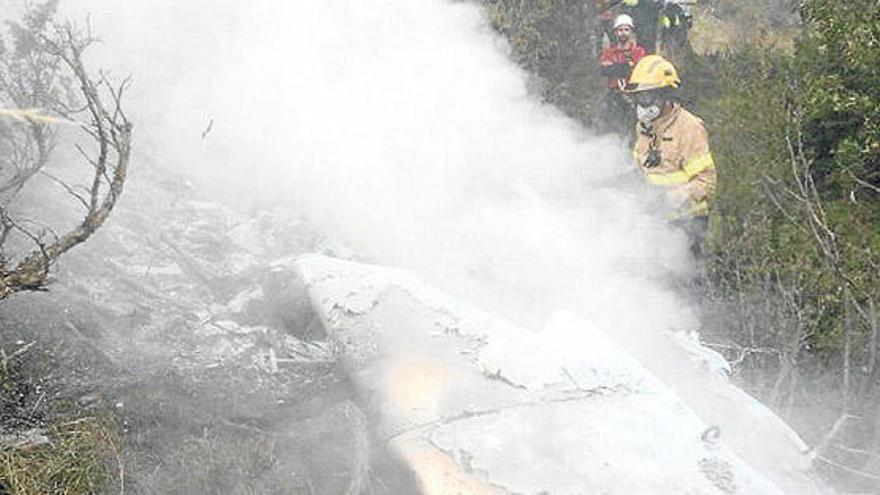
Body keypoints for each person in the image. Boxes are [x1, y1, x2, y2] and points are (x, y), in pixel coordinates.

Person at [625, 54, 716, 256]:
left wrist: (672, 198)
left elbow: (706, 182)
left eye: (646, 98)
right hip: (655, 222)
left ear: (664, 95)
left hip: (687, 225)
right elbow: (641, 166)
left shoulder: (690, 128)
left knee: (682, 282)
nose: (641, 105)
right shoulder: (644, 126)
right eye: (637, 98)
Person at [597, 14, 646, 135]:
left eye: (626, 29)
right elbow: (604, 70)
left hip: (633, 95)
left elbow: (637, 69)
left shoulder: (638, 51)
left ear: (631, 31)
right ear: (616, 32)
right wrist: (625, 66)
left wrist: (615, 67)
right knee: (612, 126)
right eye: (620, 30)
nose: (623, 33)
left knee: (633, 127)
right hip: (614, 94)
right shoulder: (610, 52)